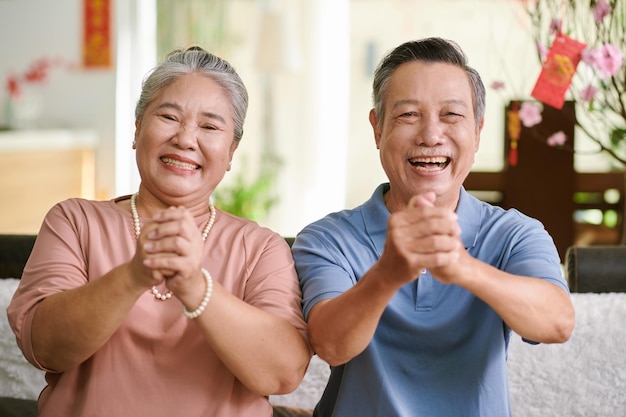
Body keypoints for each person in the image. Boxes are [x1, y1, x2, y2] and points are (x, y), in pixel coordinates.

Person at [7, 46, 312, 417]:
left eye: (210, 126)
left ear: (231, 152)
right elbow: (44, 347)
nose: (185, 139)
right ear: (137, 129)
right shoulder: (74, 221)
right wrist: (135, 274)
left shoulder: (260, 248)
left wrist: (195, 288)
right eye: (169, 116)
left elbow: (282, 374)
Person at [292, 37, 575, 417]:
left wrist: (463, 267)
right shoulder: (328, 239)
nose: (430, 135)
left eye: (451, 116)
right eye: (408, 115)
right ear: (377, 129)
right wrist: (388, 274)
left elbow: (557, 322)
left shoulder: (515, 234)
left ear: (477, 131)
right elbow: (330, 345)